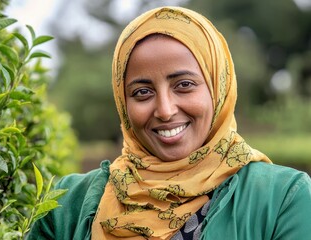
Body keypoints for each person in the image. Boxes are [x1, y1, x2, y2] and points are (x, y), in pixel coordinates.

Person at [27, 6, 311, 240]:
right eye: (142, 92)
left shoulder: (283, 199)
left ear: (218, 88)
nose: (164, 109)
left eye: (184, 84)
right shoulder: (66, 206)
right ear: (122, 102)